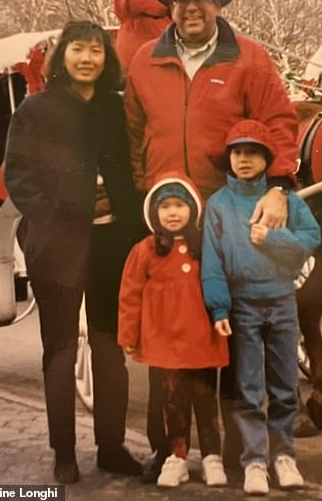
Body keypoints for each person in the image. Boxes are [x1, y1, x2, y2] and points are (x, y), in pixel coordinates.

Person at [124, 0, 300, 477]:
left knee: (232, 333)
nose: (189, 9)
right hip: (170, 212)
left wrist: (278, 187)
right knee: (170, 333)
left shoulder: (250, 59)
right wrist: (148, 189)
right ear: (170, 8)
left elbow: (279, 123)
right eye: (180, 1)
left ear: (219, 5)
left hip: (226, 212)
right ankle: (170, 447)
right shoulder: (143, 63)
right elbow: (134, 134)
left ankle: (237, 453)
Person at [4, 20, 142, 484]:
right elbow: (19, 175)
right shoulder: (37, 110)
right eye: (79, 50)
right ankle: (64, 453)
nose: (88, 59)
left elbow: (134, 170)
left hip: (111, 244)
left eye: (97, 51)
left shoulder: (115, 109)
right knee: (60, 353)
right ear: (62, 56)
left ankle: (111, 446)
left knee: (109, 349)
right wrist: (52, 216)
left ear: (107, 59)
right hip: (58, 246)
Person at [201, 119, 321, 495]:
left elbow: (311, 237)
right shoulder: (219, 205)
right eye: (237, 152)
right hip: (243, 305)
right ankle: (254, 461)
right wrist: (220, 309)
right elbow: (213, 262)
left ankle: (284, 457)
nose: (244, 159)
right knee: (249, 386)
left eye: (253, 152)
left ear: (267, 159)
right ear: (229, 158)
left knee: (285, 386)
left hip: (282, 299)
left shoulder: (282, 198)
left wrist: (274, 239)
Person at [118, 173, 229, 488]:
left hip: (201, 339)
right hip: (166, 342)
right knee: (173, 402)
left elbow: (219, 282)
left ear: (192, 209)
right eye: (164, 206)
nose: (173, 212)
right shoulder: (146, 250)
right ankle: (177, 456)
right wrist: (128, 335)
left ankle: (212, 457)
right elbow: (130, 295)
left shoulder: (206, 246)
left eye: (179, 204)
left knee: (206, 400)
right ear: (154, 212)